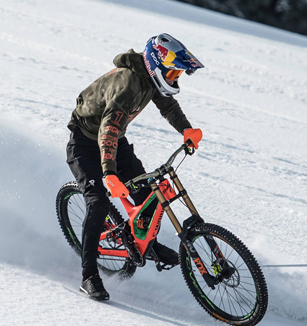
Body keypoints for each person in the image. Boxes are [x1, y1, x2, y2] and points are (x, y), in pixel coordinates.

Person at [66, 34, 205, 301]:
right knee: (98, 203)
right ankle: (89, 275)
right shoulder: (128, 84)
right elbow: (109, 128)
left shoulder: (149, 79)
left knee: (149, 195)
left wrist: (186, 129)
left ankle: (146, 245)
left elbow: (167, 105)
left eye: (179, 73)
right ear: (157, 64)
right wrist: (109, 173)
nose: (176, 78)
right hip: (85, 144)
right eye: (174, 71)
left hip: (114, 142)